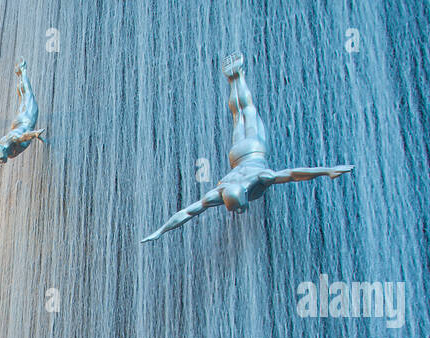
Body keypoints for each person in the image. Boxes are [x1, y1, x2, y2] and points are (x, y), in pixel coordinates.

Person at [141, 52, 353, 242]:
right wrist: (327, 171)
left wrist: (160, 231)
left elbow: (187, 213)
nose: (237, 211)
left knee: (244, 112)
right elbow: (292, 174)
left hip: (249, 150)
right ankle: (235, 77)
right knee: (243, 112)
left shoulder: (233, 187)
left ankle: (236, 77)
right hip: (242, 154)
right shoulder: (253, 179)